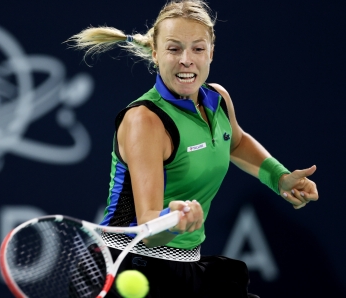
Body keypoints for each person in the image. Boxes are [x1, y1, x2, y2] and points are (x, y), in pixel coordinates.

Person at [68, 0, 319, 297]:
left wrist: (279, 178)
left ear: (211, 53)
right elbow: (148, 225)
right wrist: (174, 220)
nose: (187, 60)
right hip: (127, 267)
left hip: (184, 265)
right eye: (174, 49)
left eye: (198, 49)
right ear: (155, 53)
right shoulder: (145, 120)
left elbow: (234, 142)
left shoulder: (217, 99)